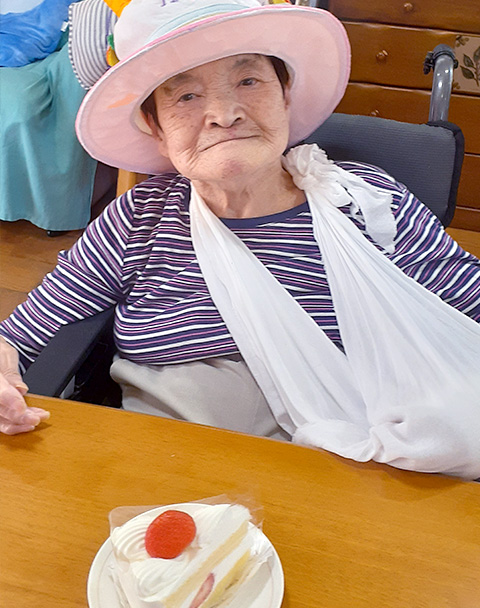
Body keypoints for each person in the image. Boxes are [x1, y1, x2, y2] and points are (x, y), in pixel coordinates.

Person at [1, 0, 480, 477]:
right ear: (156, 128)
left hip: (364, 493)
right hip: (174, 487)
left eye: (248, 81)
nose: (224, 114)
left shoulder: (368, 204)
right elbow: (16, 336)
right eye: (184, 97)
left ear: (285, 95)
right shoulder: (139, 219)